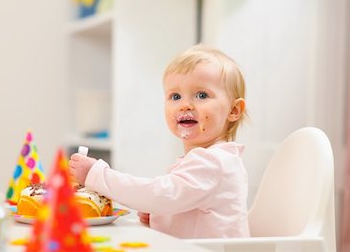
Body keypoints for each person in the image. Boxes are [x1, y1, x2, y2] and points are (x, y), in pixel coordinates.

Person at [69, 44, 250, 238]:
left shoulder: (214, 162)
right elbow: (179, 202)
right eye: (175, 96)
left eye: (202, 95)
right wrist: (164, 216)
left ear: (233, 110)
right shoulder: (208, 160)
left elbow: (160, 194)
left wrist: (96, 175)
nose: (185, 105)